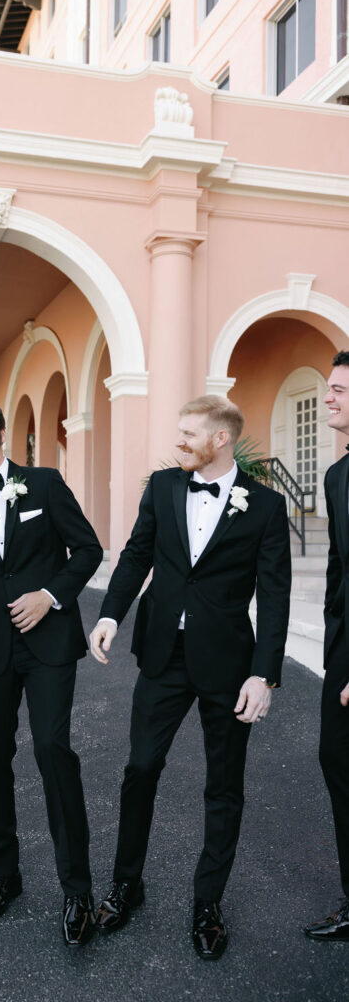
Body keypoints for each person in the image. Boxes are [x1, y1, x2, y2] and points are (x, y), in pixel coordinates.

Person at [90, 395, 290, 960]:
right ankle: (126, 884)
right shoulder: (162, 488)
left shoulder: (267, 508)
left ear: (220, 439)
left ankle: (208, 904)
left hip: (228, 663)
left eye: (187, 435)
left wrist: (264, 676)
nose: (178, 442)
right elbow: (135, 555)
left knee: (223, 785)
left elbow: (275, 598)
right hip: (163, 655)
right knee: (140, 768)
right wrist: (110, 614)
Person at [0, 400, 102, 946]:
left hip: (49, 642)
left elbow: (88, 549)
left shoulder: (46, 483)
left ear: (3, 433)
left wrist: (49, 595)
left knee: (52, 750)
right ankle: (3, 876)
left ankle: (77, 889)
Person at [304, 352, 349, 942]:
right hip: (342, 649)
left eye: (340, 388)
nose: (330, 396)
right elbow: (339, 570)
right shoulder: (336, 476)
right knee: (337, 765)